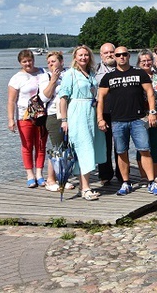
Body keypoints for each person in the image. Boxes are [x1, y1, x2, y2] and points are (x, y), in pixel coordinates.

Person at [97, 46, 157, 197]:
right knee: (121, 152)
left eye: (124, 54)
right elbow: (100, 98)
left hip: (138, 120)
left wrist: (152, 112)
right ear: (115, 57)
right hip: (117, 121)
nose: (121, 57)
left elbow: (150, 92)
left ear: (128, 56)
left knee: (144, 150)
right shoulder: (108, 77)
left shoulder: (139, 73)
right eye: (118, 55)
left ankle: (151, 182)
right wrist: (100, 118)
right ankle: (125, 182)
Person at [58, 46, 106, 201]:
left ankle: (83, 186)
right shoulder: (70, 74)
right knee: (82, 148)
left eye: (86, 55)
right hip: (77, 113)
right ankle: (85, 188)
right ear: (75, 57)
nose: (83, 58)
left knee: (89, 148)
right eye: (80, 55)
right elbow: (63, 99)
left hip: (90, 112)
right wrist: (64, 120)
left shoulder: (91, 73)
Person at [7, 49, 47, 188]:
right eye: (24, 61)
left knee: (41, 145)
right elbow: (11, 101)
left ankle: (40, 174)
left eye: (29, 60)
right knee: (27, 146)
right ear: (20, 63)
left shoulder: (42, 72)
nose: (28, 63)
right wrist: (10, 119)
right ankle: (30, 175)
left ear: (33, 60)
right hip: (24, 116)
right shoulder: (16, 78)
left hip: (41, 115)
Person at [38, 51, 75, 192]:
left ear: (61, 62)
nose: (51, 64)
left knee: (66, 148)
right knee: (57, 148)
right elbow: (44, 97)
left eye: (53, 61)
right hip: (54, 116)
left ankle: (63, 177)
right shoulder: (45, 77)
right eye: (48, 62)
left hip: (71, 114)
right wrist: (53, 80)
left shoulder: (70, 73)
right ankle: (50, 179)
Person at [136, 49, 157, 187]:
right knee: (142, 147)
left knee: (156, 147)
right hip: (140, 118)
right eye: (143, 60)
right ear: (139, 62)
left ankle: (156, 175)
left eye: (148, 60)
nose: (146, 62)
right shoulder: (135, 77)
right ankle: (144, 176)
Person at [95, 42, 119, 185]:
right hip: (103, 113)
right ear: (101, 55)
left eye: (112, 52)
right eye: (106, 53)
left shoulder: (123, 68)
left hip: (120, 112)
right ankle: (105, 175)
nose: (110, 55)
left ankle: (122, 175)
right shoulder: (95, 69)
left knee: (121, 145)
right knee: (104, 145)